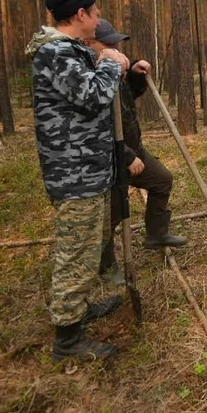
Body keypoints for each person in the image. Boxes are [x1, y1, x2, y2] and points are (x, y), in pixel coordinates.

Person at [25, 0, 130, 361]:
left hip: (88, 167)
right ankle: (67, 339)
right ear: (80, 14)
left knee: (86, 249)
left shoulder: (71, 51)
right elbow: (91, 97)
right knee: (75, 253)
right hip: (74, 173)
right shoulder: (55, 53)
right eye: (96, 12)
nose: (99, 19)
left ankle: (80, 309)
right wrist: (108, 64)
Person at [85, 19, 187, 262]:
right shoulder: (89, 79)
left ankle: (157, 233)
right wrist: (127, 157)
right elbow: (95, 127)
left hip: (132, 148)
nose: (116, 47)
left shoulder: (111, 66)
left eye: (116, 42)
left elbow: (129, 96)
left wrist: (134, 73)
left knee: (162, 180)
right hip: (110, 157)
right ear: (89, 44)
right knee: (113, 212)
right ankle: (105, 263)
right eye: (108, 43)